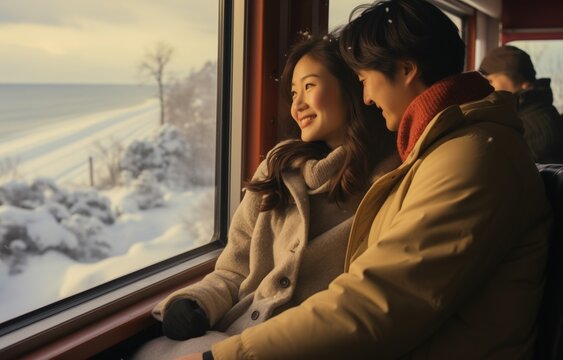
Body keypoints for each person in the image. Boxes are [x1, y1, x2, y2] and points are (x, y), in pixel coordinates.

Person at [175, 0, 552, 359]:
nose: (367, 97)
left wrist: (224, 357)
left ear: (406, 71)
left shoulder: (471, 156)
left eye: (365, 79)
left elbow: (380, 302)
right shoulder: (443, 149)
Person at [130, 37, 398, 360]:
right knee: (148, 350)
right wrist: (197, 302)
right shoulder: (277, 168)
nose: (296, 105)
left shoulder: (386, 183)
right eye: (294, 93)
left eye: (309, 86)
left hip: (301, 346)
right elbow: (234, 270)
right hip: (237, 333)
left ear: (351, 88)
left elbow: (365, 300)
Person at [479, 45, 563, 163]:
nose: (487, 88)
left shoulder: (533, 125)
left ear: (524, 83)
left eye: (491, 81)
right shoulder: (525, 113)